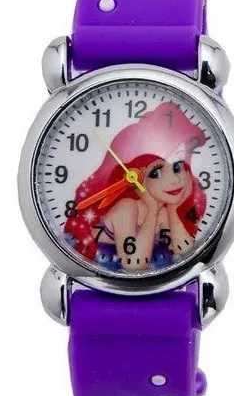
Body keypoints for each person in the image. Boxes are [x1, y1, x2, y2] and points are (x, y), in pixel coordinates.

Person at [64, 102, 207, 273]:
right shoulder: (126, 208)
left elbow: (186, 252)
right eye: (156, 172)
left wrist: (173, 209)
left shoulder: (163, 211)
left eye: (177, 166)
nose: (175, 180)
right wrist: (152, 211)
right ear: (138, 176)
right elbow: (134, 265)